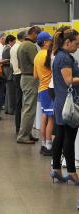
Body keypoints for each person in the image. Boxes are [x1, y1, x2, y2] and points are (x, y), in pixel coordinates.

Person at [50, 28, 79, 184]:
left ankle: (56, 169)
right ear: (67, 42)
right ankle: (72, 173)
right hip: (68, 104)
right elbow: (69, 80)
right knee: (69, 137)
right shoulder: (64, 58)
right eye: (77, 43)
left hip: (62, 101)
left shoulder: (61, 56)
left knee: (60, 136)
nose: (78, 46)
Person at [16, 26, 41, 144]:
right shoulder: (30, 46)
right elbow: (36, 62)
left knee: (27, 108)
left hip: (24, 77)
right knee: (29, 109)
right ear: (34, 34)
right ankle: (23, 136)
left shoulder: (21, 45)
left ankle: (27, 133)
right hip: (30, 78)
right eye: (39, 35)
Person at [34, 32, 54, 156]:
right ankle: (49, 146)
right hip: (49, 89)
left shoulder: (37, 56)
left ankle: (43, 144)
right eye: (50, 40)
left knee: (44, 116)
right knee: (51, 118)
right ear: (45, 42)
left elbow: (35, 76)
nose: (52, 42)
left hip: (41, 88)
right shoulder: (49, 54)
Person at [10, 31, 26, 134]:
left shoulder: (13, 47)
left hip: (15, 74)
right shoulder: (21, 48)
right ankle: (22, 128)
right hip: (21, 75)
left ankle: (18, 127)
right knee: (24, 103)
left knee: (18, 102)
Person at [2, 35, 17, 114]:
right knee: (11, 92)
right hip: (9, 72)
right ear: (10, 41)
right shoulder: (9, 49)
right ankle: (12, 110)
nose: (15, 43)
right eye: (14, 41)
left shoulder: (5, 48)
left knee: (8, 91)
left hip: (6, 71)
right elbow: (9, 60)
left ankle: (8, 109)